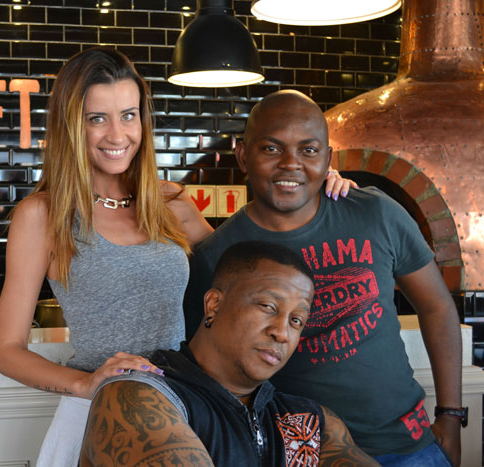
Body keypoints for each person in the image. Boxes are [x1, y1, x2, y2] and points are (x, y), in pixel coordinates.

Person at [0, 48, 353, 467]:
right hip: (100, 414)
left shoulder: (170, 202)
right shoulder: (43, 215)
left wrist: (311, 188)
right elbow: (7, 350)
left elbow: (250, 269)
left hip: (181, 406)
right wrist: (84, 384)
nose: (117, 135)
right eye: (97, 119)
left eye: (128, 116)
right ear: (71, 125)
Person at [183, 90, 463, 466]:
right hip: (298, 455)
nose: (291, 164)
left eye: (309, 150)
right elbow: (208, 367)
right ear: (244, 156)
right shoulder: (217, 255)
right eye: (271, 148)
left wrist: (451, 415)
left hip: (407, 447)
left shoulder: (376, 214)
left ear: (327, 159)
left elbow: (436, 306)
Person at [80, 241, 379, 466]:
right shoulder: (136, 397)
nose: (282, 332)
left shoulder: (312, 422)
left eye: (296, 320)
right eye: (268, 307)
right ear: (214, 305)